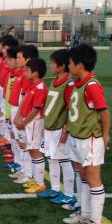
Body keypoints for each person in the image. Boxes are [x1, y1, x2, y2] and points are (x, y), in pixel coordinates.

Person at [63, 44, 110, 224]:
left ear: (80, 65)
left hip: (89, 138)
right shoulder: (77, 83)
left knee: (93, 178)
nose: (68, 66)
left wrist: (105, 134)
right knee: (81, 175)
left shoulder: (91, 85)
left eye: (71, 63)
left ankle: (96, 222)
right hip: (76, 136)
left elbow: (104, 111)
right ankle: (85, 213)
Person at [39, 49, 77, 206]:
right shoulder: (53, 81)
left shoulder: (69, 84)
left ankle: (69, 194)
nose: (51, 65)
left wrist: (66, 129)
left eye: (53, 63)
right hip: (49, 127)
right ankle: (55, 188)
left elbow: (70, 108)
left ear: (62, 66)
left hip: (59, 128)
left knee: (64, 160)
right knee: (51, 158)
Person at [14, 57, 48, 194]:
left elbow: (36, 109)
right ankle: (35, 180)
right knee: (31, 150)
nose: (25, 73)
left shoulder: (40, 87)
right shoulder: (31, 84)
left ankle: (40, 183)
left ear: (36, 73)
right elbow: (25, 103)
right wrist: (18, 117)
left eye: (27, 70)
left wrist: (24, 122)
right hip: (27, 122)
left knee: (35, 151)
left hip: (34, 123)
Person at [7, 45, 39, 186]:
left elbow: (26, 100)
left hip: (26, 116)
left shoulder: (27, 77)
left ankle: (28, 173)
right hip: (17, 111)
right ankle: (22, 168)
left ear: (28, 59)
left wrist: (21, 116)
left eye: (19, 57)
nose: (17, 60)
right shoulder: (21, 74)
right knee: (20, 141)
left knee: (26, 143)